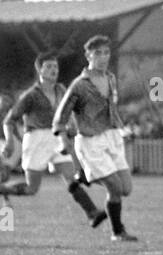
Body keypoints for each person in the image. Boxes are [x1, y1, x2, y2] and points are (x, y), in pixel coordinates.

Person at [0, 51, 108, 228]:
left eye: (55, 66)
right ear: (40, 71)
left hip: (57, 138)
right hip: (36, 140)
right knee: (31, 189)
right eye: (48, 66)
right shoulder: (31, 95)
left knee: (70, 176)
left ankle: (92, 213)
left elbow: (68, 111)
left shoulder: (61, 90)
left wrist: (73, 125)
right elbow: (9, 120)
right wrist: (10, 141)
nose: (53, 70)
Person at [53, 36, 138, 242]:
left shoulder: (110, 78)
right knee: (115, 188)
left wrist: (123, 129)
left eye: (106, 53)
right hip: (91, 141)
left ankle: (83, 177)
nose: (103, 57)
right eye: (98, 53)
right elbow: (60, 117)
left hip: (112, 137)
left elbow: (112, 110)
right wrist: (64, 141)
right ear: (88, 55)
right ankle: (117, 232)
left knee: (126, 189)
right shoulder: (79, 85)